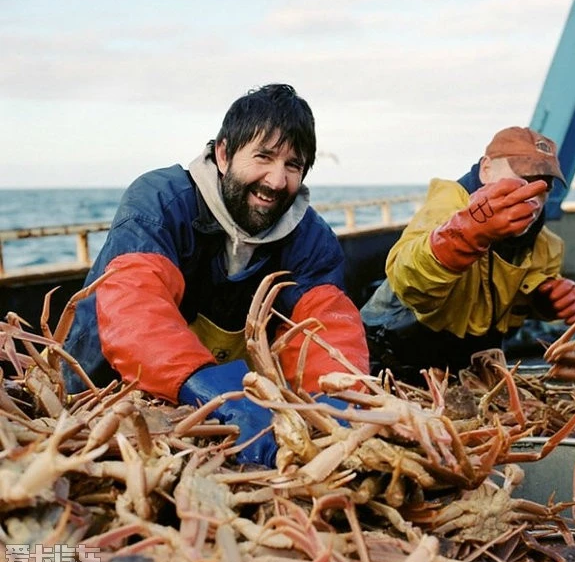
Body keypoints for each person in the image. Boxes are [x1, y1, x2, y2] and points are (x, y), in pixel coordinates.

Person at [63, 83, 369, 466]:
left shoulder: (311, 238)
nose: (276, 180)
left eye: (293, 165)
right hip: (102, 398)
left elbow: (326, 329)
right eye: (263, 157)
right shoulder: (159, 201)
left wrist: (334, 405)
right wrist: (213, 392)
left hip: (231, 419)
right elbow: (134, 308)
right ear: (224, 153)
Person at [360, 126, 575, 383]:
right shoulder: (447, 206)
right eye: (523, 178)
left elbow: (521, 299)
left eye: (545, 185)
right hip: (387, 359)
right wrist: (461, 236)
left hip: (465, 369)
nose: (534, 194)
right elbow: (407, 279)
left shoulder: (545, 244)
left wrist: (544, 301)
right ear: (486, 168)